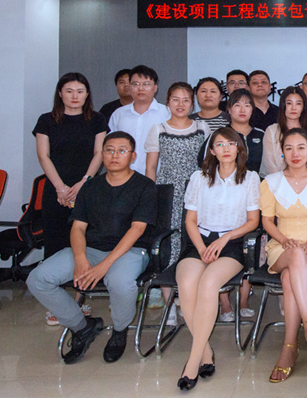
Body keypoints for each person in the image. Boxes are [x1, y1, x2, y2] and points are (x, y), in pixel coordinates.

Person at [26, 131, 156, 365]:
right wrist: (80, 258)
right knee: (38, 278)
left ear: (133, 156)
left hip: (131, 251)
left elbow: (137, 229)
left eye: (122, 151)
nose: (114, 155)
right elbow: (78, 228)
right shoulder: (90, 187)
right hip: (91, 249)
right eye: (109, 150)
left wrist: (104, 266)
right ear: (102, 154)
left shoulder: (144, 186)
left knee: (120, 282)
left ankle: (119, 331)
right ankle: (82, 326)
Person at [175, 127, 261, 391]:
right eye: (220, 144)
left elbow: (253, 221)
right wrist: (202, 248)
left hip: (232, 244)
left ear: (239, 148)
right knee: (186, 284)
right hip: (199, 241)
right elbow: (190, 221)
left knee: (209, 284)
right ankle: (206, 351)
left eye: (231, 144)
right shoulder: (199, 177)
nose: (226, 149)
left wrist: (225, 239)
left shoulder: (250, 178)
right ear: (211, 150)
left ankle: (193, 362)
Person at [259, 128, 307, 382]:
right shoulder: (271, 182)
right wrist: (285, 240)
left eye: (301, 148)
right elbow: (267, 222)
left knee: (288, 278)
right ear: (282, 152)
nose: (295, 153)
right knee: (294, 256)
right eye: (289, 148)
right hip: (280, 246)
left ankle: (289, 347)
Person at [33, 72, 108, 325]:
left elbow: (99, 153)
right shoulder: (46, 120)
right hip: (56, 190)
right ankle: (58, 304)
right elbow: (43, 156)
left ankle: (78, 301)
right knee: (56, 244)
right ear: (60, 93)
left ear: (87, 94)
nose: (75, 96)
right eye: (69, 91)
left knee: (83, 245)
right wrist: (61, 188)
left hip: (87, 188)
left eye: (80, 91)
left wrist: (83, 182)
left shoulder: (97, 119)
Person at [145, 82, 211, 315]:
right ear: (167, 102)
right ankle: (169, 304)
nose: (180, 104)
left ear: (192, 103)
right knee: (169, 245)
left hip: (197, 193)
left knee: (193, 242)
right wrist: (152, 198)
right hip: (168, 194)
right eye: (175, 99)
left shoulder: (202, 127)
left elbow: (208, 163)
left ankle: (189, 298)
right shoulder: (158, 129)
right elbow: (151, 167)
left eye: (185, 100)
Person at [200, 89, 262, 323]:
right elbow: (205, 167)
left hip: (252, 196)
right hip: (222, 197)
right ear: (229, 109)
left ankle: (243, 299)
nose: (242, 109)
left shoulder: (260, 134)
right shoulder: (218, 135)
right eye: (237, 105)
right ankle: (224, 302)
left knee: (250, 246)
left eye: (247, 105)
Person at [107, 65, 171, 175]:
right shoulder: (119, 114)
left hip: (157, 176)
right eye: (136, 84)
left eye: (146, 84)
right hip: (123, 177)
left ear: (155, 88)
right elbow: (110, 146)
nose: (141, 88)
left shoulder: (166, 113)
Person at [261, 86, 307, 176]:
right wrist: (286, 182)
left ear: (303, 107)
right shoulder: (272, 131)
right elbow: (270, 165)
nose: (293, 108)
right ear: (283, 105)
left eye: (298, 103)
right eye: (289, 103)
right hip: (278, 182)